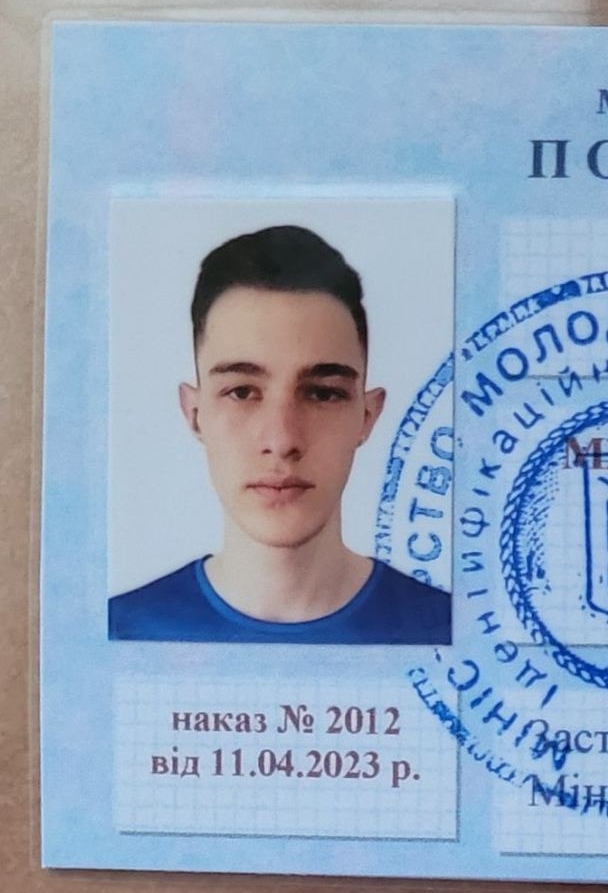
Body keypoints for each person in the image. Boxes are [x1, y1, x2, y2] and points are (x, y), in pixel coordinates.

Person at [109, 225, 451, 644]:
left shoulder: (453, 632)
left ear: (367, 416)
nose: (282, 440)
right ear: (195, 414)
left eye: (322, 394)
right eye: (241, 392)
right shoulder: (119, 634)